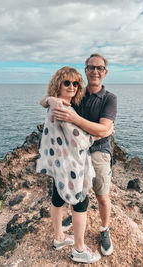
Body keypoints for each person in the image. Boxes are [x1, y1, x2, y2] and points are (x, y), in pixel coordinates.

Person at [40, 54, 117, 256]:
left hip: (98, 150)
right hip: (74, 153)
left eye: (99, 68)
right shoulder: (76, 97)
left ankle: (104, 228)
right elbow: (47, 102)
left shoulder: (109, 98)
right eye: (91, 67)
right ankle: (76, 237)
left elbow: (102, 129)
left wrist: (75, 117)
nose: (95, 71)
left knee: (101, 195)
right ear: (86, 70)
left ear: (105, 72)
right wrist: (49, 99)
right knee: (76, 197)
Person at [36, 66, 101, 264]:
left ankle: (59, 238)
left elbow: (44, 100)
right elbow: (81, 142)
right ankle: (79, 250)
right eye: (67, 83)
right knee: (80, 203)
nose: (72, 86)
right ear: (59, 84)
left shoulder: (54, 104)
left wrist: (49, 98)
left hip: (58, 164)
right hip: (72, 167)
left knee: (57, 198)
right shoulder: (63, 108)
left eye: (76, 83)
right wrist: (102, 133)